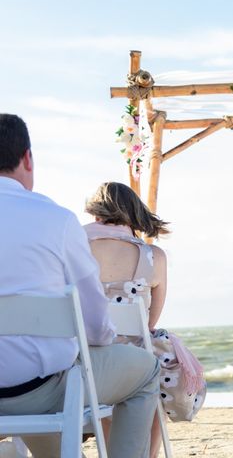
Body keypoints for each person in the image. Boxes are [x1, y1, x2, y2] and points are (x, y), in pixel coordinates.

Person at [0, 114, 160, 457]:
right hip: (42, 389)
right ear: (28, 158)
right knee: (146, 371)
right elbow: (96, 327)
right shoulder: (55, 220)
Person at [84, 182, 204, 458]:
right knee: (152, 370)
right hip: (132, 364)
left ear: (97, 214)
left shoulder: (75, 248)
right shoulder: (154, 257)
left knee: (100, 383)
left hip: (84, 362)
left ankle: (108, 449)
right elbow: (148, 323)